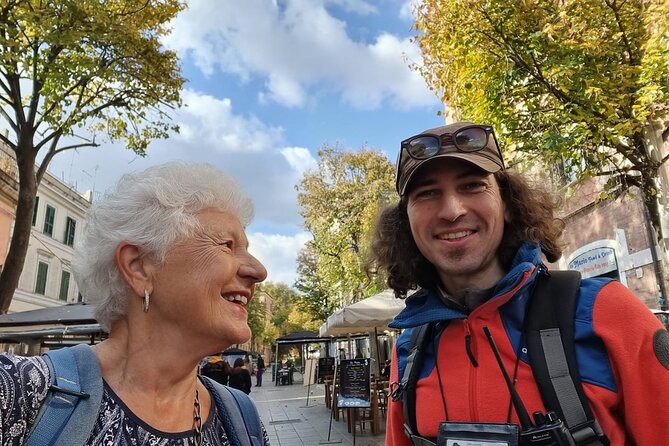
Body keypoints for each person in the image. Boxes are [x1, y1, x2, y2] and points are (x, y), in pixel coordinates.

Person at [369, 122, 669, 446]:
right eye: (427, 193)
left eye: (472, 185)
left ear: (508, 205)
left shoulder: (608, 313)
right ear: (406, 222)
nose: (452, 211)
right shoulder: (409, 349)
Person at [0, 162, 271, 445]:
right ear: (138, 266)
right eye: (227, 244)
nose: (259, 271)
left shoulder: (242, 419)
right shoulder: (17, 393)